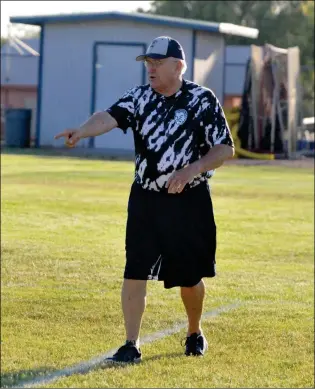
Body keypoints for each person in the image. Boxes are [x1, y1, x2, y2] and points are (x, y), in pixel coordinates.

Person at [54, 36, 235, 363]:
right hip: (146, 199)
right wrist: (81, 131)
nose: (150, 69)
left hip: (189, 200)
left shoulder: (202, 100)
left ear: (178, 66)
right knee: (134, 269)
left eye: (157, 63)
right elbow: (107, 117)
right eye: (147, 63)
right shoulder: (139, 98)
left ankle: (194, 332)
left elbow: (224, 149)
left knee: (189, 277)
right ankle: (131, 344)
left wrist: (191, 170)